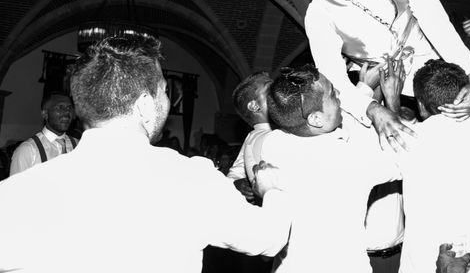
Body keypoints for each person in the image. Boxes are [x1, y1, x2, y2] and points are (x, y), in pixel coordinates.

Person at [0, 35, 290, 273]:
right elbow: (269, 237)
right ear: (144, 104)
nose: (166, 100)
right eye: (164, 91)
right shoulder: (191, 178)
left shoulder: (20, 192)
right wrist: (272, 188)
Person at [302, 0, 470, 149]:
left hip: (437, 74)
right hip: (386, 92)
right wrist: (372, 109)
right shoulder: (317, 15)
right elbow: (333, 80)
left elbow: (436, 21)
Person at [260, 64, 400, 273]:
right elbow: (400, 155)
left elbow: (329, 122)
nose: (340, 100)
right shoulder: (349, 160)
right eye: (334, 95)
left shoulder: (273, 145)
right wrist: (392, 100)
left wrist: (364, 88)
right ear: (315, 119)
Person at [392, 59, 470, 273]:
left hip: (421, 263)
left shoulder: (409, 141)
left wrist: (390, 99)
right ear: (466, 94)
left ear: (421, 105)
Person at [227, 72, 273, 203]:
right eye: (269, 88)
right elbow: (235, 173)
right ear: (254, 106)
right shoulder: (253, 137)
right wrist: (238, 184)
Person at [9, 91, 77, 176]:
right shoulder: (28, 151)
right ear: (45, 114)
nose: (67, 112)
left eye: (69, 108)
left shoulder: (79, 145)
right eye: (60, 107)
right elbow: (16, 188)